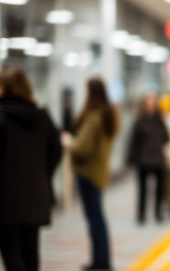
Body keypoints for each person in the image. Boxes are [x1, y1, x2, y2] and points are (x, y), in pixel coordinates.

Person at [0, 66, 62, 271]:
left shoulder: (2, 116)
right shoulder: (42, 116)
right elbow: (56, 150)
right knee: (31, 250)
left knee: (10, 251)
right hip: (36, 195)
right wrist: (43, 175)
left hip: (6, 198)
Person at [63, 77, 117, 271]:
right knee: (98, 217)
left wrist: (68, 140)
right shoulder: (107, 115)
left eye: (86, 89)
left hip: (88, 174)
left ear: (91, 92)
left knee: (94, 219)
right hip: (98, 172)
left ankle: (100, 261)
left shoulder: (94, 118)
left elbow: (82, 148)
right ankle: (101, 259)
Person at [127, 91, 169, 224]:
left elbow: (167, 137)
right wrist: (131, 159)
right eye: (148, 102)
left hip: (158, 159)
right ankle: (141, 214)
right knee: (143, 189)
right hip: (143, 160)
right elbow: (133, 141)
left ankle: (158, 212)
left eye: (153, 102)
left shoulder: (160, 121)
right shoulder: (139, 121)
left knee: (159, 189)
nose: (151, 105)